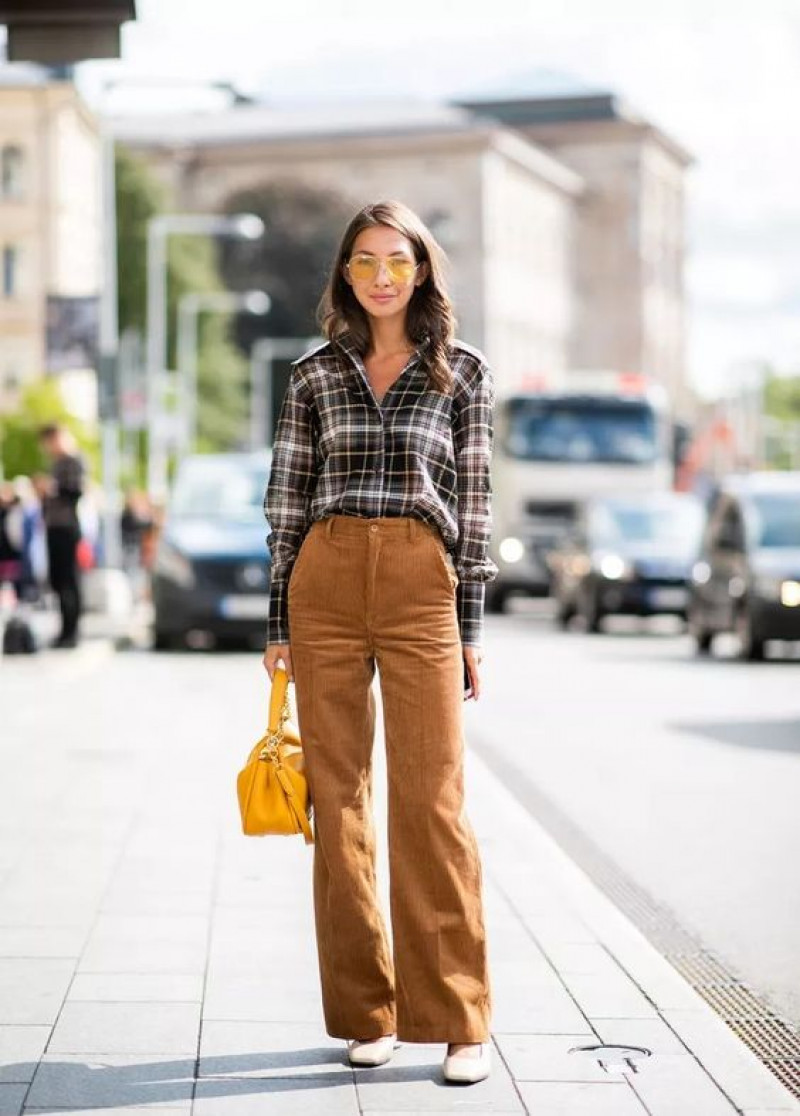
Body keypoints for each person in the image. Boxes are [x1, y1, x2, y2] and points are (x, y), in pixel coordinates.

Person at [263, 200, 497, 1084]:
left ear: (422, 268)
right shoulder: (314, 373)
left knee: (433, 800)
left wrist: (469, 626)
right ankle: (369, 1010)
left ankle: (461, 1020)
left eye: (397, 259)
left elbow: (474, 505)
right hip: (323, 579)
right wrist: (279, 622)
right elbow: (286, 499)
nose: (382, 276)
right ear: (346, 275)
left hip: (418, 581)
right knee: (340, 802)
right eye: (364, 261)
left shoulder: (462, 373)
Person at [37, 424, 86, 648]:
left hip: (67, 528)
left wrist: (52, 488)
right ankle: (65, 630)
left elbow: (76, 492)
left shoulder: (74, 461)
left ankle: (72, 631)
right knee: (57, 580)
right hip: (53, 527)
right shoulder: (56, 463)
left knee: (68, 580)